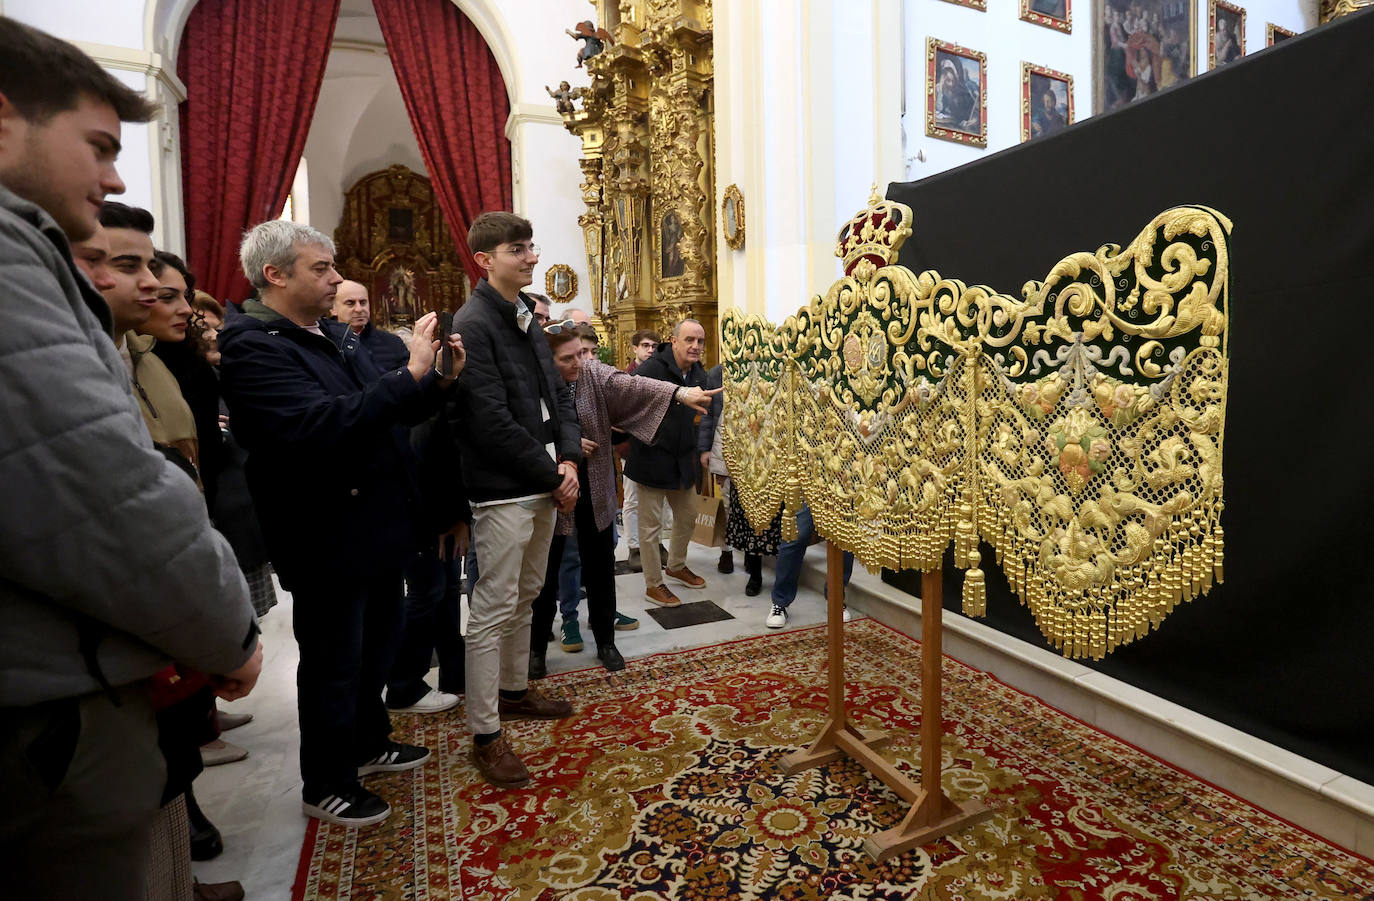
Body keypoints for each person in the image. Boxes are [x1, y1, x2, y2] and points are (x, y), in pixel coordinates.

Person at [0, 18, 261, 900]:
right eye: (100, 146)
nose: (115, 177)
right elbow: (106, 497)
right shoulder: (10, 259)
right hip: (49, 720)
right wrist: (228, 630)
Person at [219, 220, 463, 828]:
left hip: (377, 524)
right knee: (334, 662)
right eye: (321, 268)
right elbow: (321, 425)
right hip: (323, 532)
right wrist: (408, 372)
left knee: (378, 645)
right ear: (275, 275)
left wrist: (438, 379)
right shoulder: (253, 347)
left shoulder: (330, 333)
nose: (335, 279)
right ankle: (325, 781)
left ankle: (368, 741)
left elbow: (385, 410)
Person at [447, 212, 580, 789]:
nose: (531, 257)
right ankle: (485, 733)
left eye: (531, 246)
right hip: (505, 489)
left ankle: (515, 691)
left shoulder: (525, 312)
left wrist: (569, 460)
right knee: (492, 607)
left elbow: (559, 395)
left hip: (545, 479)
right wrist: (553, 474)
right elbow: (489, 420)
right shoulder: (472, 323)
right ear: (485, 260)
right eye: (517, 249)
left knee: (527, 594)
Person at [531, 325, 714, 676]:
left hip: (595, 486)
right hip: (551, 490)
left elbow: (633, 385)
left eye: (581, 354)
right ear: (547, 359)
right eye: (567, 358)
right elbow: (526, 428)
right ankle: (536, 647)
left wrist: (678, 393)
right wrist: (567, 445)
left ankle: (606, 642)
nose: (579, 362)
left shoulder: (593, 374)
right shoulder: (533, 382)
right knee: (546, 572)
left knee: (600, 568)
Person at [626, 319, 711, 607]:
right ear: (674, 341)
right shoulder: (652, 369)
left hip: (683, 458)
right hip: (651, 457)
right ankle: (654, 584)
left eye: (700, 341)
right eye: (689, 340)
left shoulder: (698, 371)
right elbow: (628, 401)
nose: (695, 346)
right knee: (651, 528)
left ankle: (675, 565)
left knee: (688, 516)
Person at [698, 363, 781, 594]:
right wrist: (719, 466)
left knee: (774, 521)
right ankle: (754, 573)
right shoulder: (730, 388)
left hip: (773, 464)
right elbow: (722, 427)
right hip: (742, 466)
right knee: (746, 517)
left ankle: (779, 573)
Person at [767, 503, 854, 629]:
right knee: (795, 536)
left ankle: (835, 599)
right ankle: (780, 601)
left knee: (844, 540)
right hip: (807, 492)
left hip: (842, 493)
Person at [619, 328, 662, 571]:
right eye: (645, 346)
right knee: (633, 499)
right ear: (634, 348)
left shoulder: (662, 375)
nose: (650, 350)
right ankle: (634, 547)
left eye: (654, 346)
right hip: (633, 447)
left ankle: (656, 543)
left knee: (657, 501)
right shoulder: (626, 377)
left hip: (657, 447)